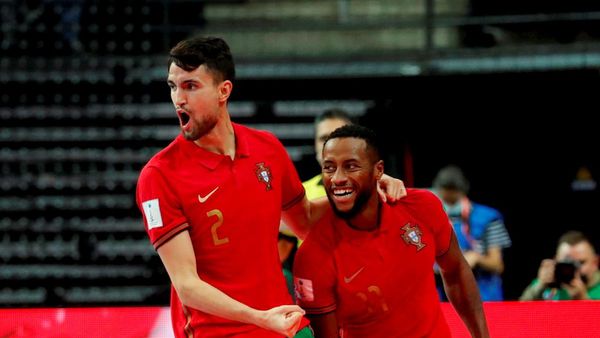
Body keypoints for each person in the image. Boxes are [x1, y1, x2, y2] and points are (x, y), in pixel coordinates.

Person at [135, 36, 405, 338]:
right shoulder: (159, 176)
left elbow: (304, 221)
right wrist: (259, 318)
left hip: (283, 323)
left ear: (223, 91)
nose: (178, 99)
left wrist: (364, 188)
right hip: (217, 331)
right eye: (173, 86)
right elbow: (187, 286)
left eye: (191, 86)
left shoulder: (267, 149)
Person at [293, 124, 489, 338]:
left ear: (378, 170)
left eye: (351, 166)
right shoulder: (313, 256)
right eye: (329, 167)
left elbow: (456, 272)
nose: (338, 177)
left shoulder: (422, 207)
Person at [278, 108, 355, 297]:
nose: (330, 144)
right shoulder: (298, 193)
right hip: (315, 298)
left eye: (339, 136)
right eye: (323, 138)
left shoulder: (376, 187)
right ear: (315, 146)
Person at [432, 165, 512, 301]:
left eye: (454, 197)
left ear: (462, 191)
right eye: (446, 198)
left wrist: (476, 258)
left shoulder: (488, 218)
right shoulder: (431, 218)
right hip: (443, 298)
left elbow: (497, 264)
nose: (450, 202)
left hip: (483, 296)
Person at [520, 230, 600, 300]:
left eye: (581, 262)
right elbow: (519, 311)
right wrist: (539, 286)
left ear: (595, 262)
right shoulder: (545, 284)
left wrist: (583, 300)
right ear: (555, 261)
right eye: (566, 262)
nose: (573, 268)